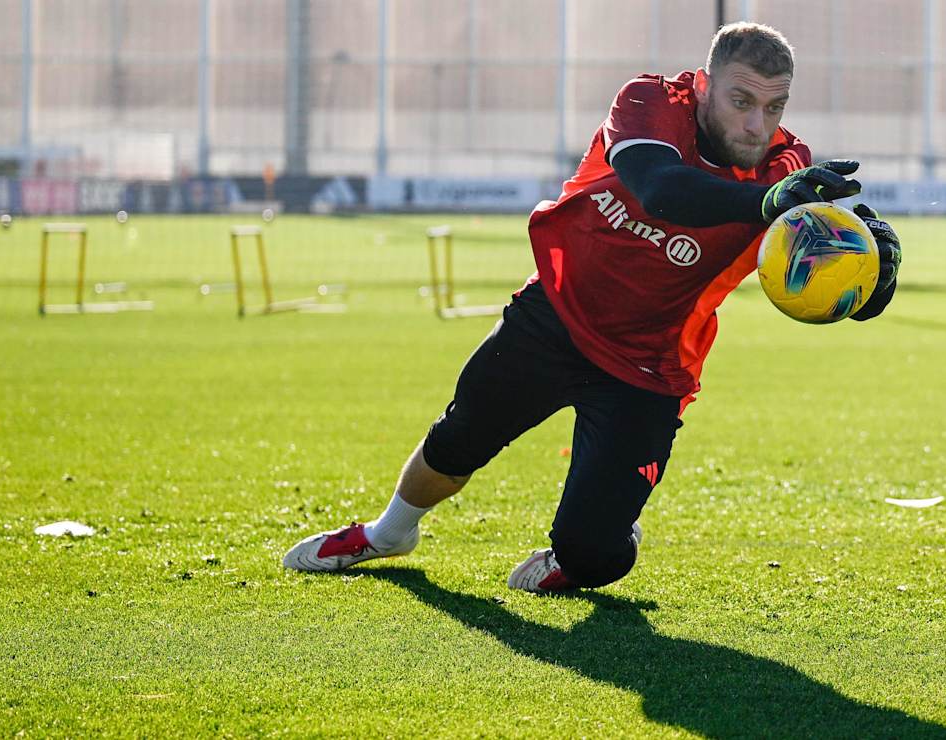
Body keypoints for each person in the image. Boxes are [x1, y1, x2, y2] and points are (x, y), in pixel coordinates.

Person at [282, 22, 902, 593]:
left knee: (595, 555)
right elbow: (661, 187)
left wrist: (870, 266)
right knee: (458, 439)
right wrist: (766, 203)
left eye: (774, 108)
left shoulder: (782, 167)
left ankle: (595, 538)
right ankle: (389, 534)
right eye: (741, 102)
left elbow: (820, 250)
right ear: (706, 87)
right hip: (556, 315)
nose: (755, 125)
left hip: (651, 365)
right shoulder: (651, 102)